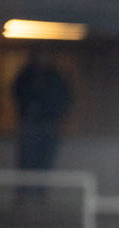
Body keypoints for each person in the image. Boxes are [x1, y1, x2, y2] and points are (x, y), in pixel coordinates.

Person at [12, 48, 72, 201]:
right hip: (30, 125)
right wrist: (30, 109)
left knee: (45, 164)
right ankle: (23, 196)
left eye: (47, 56)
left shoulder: (56, 78)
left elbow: (66, 99)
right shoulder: (26, 76)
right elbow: (17, 93)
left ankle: (40, 196)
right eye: (41, 55)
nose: (44, 59)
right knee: (27, 162)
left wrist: (54, 114)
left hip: (49, 126)